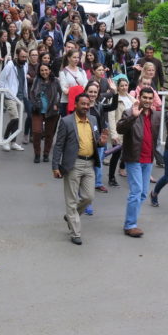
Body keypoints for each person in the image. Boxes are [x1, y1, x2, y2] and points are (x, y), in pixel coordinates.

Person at [51, 92, 109, 245]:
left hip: (89, 164)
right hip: (73, 164)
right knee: (71, 200)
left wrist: (102, 142)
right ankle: (75, 232)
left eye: (87, 104)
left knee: (89, 197)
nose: (85, 107)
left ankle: (71, 215)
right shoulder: (66, 122)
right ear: (75, 105)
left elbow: (96, 141)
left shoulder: (93, 119)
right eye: (82, 104)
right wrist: (55, 166)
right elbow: (58, 145)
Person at [116, 86, 162, 238]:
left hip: (148, 159)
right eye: (145, 98)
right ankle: (130, 225)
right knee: (136, 192)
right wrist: (133, 117)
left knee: (142, 194)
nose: (148, 101)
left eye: (150, 98)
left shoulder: (156, 115)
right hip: (134, 158)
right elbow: (120, 129)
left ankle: (131, 219)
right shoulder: (130, 112)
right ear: (139, 98)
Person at [30, 63, 62, 164]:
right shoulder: (36, 80)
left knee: (49, 134)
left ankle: (46, 154)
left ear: (50, 70)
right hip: (38, 110)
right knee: (36, 132)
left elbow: (60, 94)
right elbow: (31, 93)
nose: (44, 72)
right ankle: (37, 154)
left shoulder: (55, 81)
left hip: (52, 111)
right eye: (42, 70)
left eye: (46, 70)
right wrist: (35, 103)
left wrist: (57, 104)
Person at [107, 75, 134, 187]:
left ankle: (123, 169)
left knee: (129, 153)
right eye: (121, 85)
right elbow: (111, 117)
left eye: (126, 85)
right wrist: (114, 134)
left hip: (131, 131)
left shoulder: (132, 99)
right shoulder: (114, 99)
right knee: (116, 154)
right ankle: (111, 177)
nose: (124, 87)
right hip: (119, 130)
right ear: (117, 87)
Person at [0, 52, 25, 153]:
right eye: (22, 56)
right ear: (17, 56)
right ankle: (5, 140)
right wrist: (5, 93)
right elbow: (1, 80)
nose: (24, 58)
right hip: (10, 96)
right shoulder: (10, 65)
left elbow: (23, 80)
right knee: (15, 118)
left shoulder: (24, 66)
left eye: (26, 57)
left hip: (20, 96)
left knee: (18, 121)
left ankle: (13, 142)